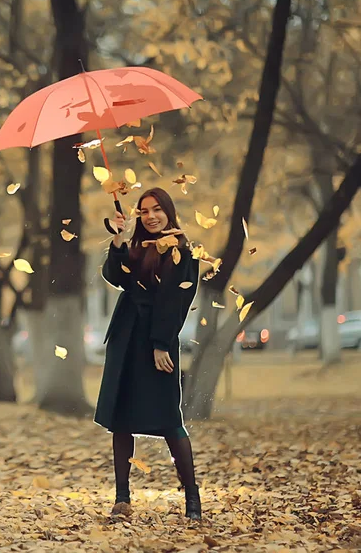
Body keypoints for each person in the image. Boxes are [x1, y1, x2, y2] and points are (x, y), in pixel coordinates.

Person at [94, 187, 202, 520]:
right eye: (144, 211)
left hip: (157, 340)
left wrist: (160, 344)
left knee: (170, 420)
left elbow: (175, 302)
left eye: (157, 209)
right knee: (121, 420)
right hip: (126, 339)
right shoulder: (136, 248)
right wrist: (117, 240)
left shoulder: (183, 253)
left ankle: (193, 500)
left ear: (169, 211)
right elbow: (114, 276)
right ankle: (122, 499)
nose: (151, 216)